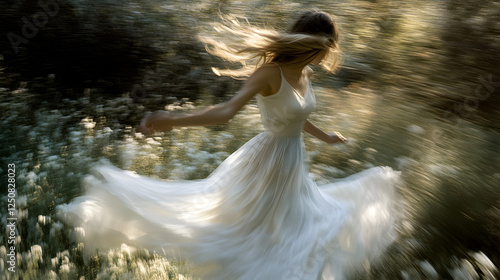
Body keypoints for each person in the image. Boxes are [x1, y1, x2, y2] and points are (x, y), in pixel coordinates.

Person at [59, 10, 400, 280]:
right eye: (327, 47)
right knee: (252, 236)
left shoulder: (305, 73)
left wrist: (325, 136)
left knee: (294, 233)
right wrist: (171, 120)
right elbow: (226, 111)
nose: (327, 56)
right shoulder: (270, 73)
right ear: (314, 42)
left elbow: (294, 116)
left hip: (292, 165)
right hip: (266, 164)